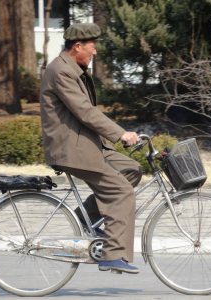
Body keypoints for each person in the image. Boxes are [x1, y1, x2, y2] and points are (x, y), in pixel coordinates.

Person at [40, 23, 142, 274]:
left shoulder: (73, 68)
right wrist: (120, 134)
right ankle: (112, 254)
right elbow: (85, 112)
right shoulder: (61, 71)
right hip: (71, 149)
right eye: (92, 46)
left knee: (131, 169)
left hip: (86, 144)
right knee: (121, 192)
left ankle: (83, 215)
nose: (94, 52)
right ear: (77, 47)